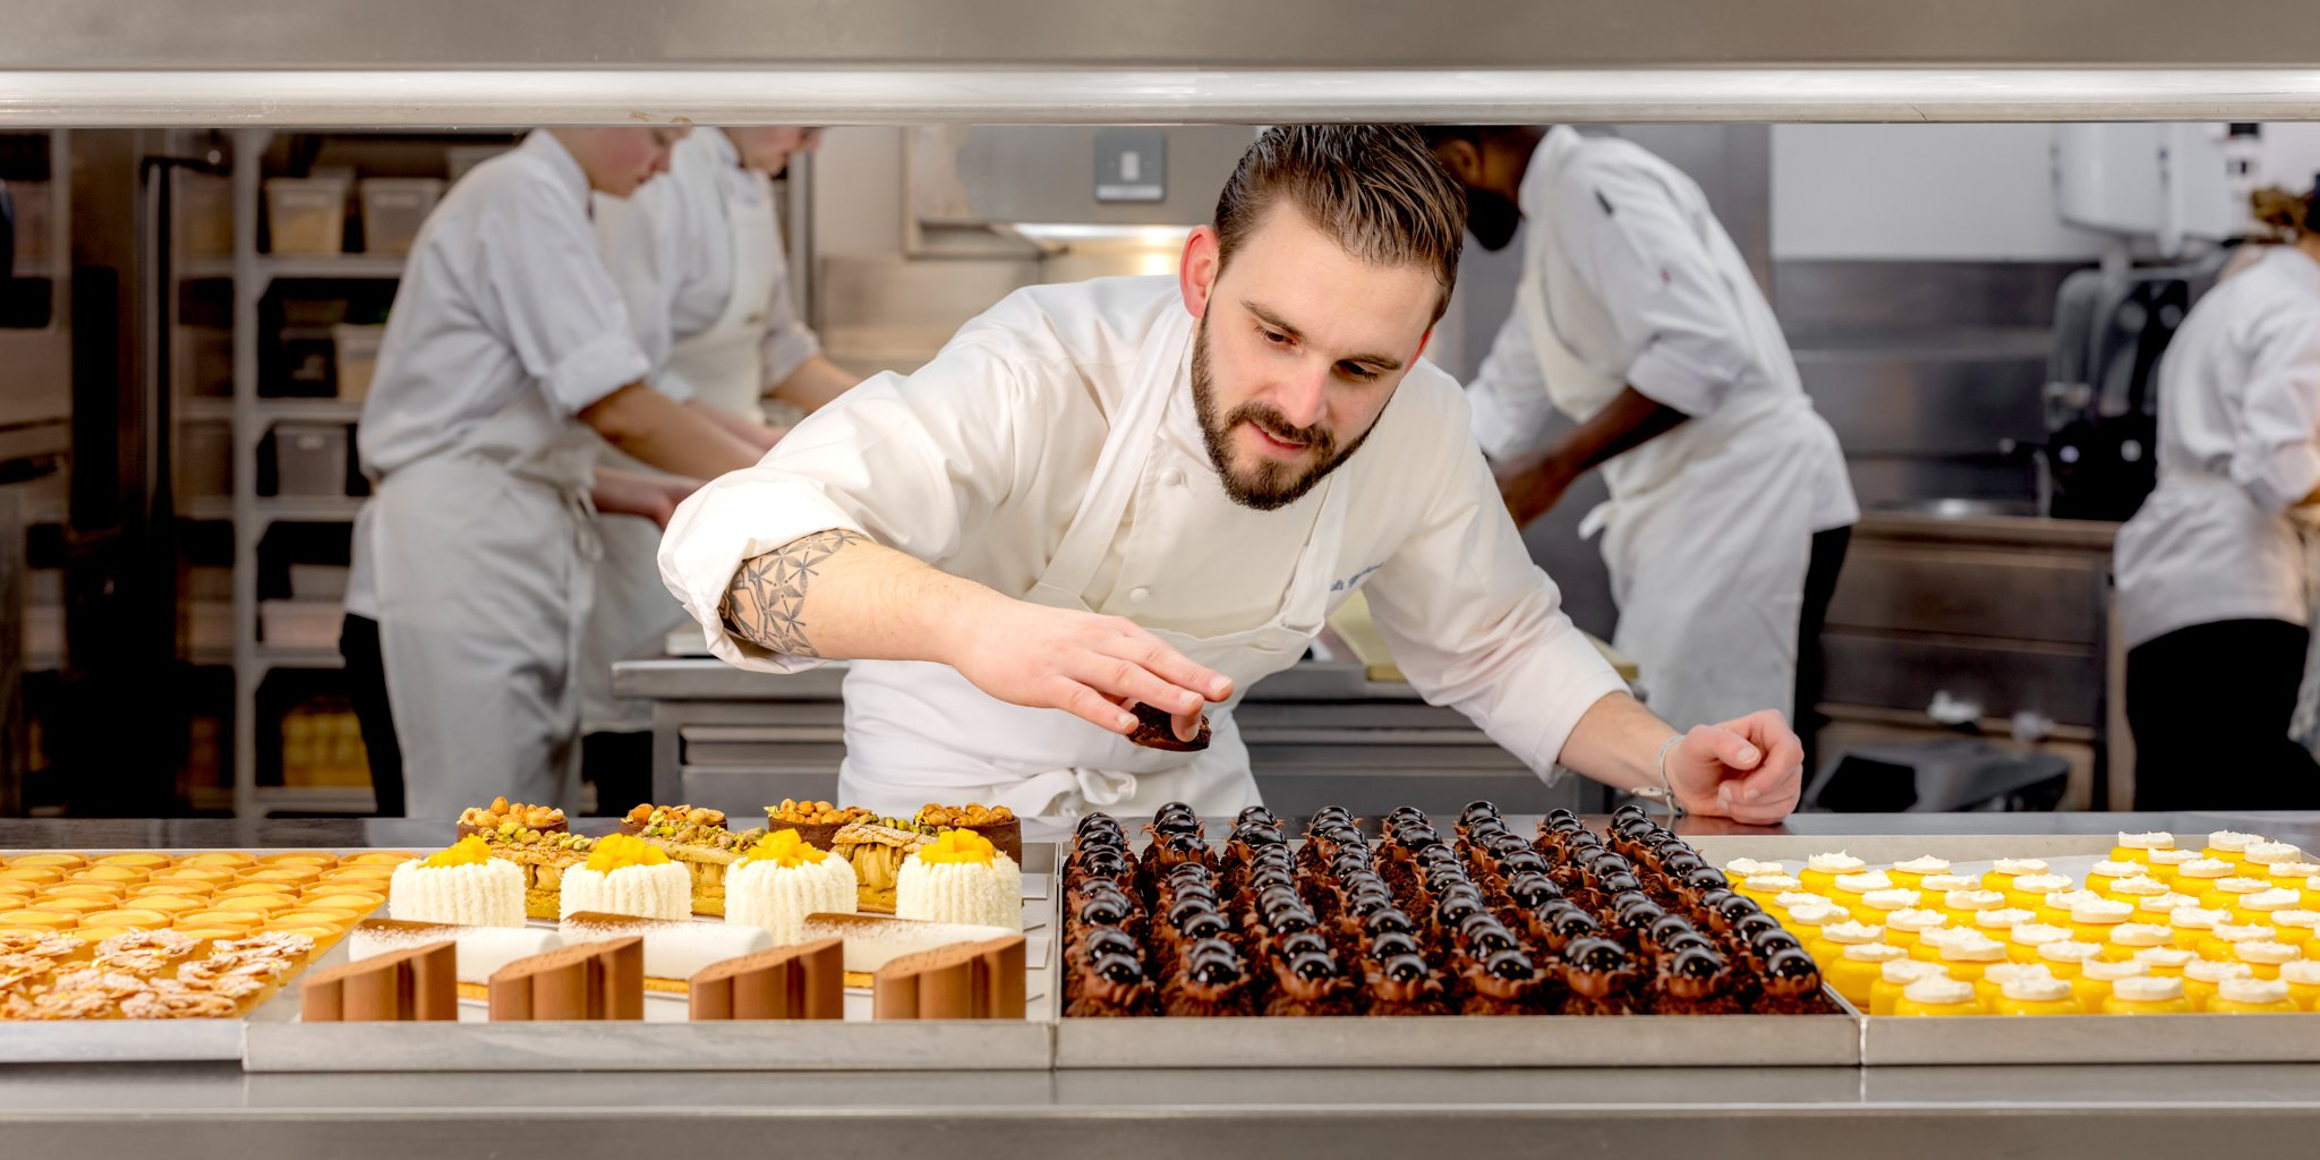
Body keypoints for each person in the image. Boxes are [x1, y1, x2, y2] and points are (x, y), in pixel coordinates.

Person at [658, 124, 1805, 823]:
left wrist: (1667, 759)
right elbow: (736, 538)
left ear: (1416, 350)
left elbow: (1495, 641)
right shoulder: (1045, 365)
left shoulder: (1422, 425)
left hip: (1193, 835)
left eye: (1360, 365)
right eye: (1275, 335)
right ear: (1200, 274)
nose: (1304, 407)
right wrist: (978, 628)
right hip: (940, 833)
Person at [340, 127, 766, 819]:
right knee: (476, 833)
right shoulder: (520, 194)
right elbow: (619, 408)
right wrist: (782, 484)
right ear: (601, 114)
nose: (666, 166)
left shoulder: (567, 205)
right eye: (658, 138)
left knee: (531, 823)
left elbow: (502, 426)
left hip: (510, 545)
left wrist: (642, 492)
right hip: (457, 559)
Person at [1420, 126, 1857, 771]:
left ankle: (1730, 878)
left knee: (1707, 749)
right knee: (1676, 751)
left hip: (1746, 498)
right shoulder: (1559, 228)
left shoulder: (1593, 182)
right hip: (1697, 512)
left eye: (1436, 187)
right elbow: (1506, 394)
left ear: (1464, 157)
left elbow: (1702, 350)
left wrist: (1555, 465)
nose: (1439, 214)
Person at [580, 127, 862, 739]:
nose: (814, 144)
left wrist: (898, 424)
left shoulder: (754, 178)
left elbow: (781, 352)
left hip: (739, 483)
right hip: (661, 485)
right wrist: (770, 474)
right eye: (804, 122)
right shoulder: (660, 173)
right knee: (645, 721)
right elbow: (629, 388)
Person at [2115, 180, 2320, 810]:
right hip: (2238, 591)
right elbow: (2280, 467)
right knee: (2241, 826)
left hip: (2177, 583)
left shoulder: (2245, 292)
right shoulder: (2301, 307)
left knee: (2179, 821)